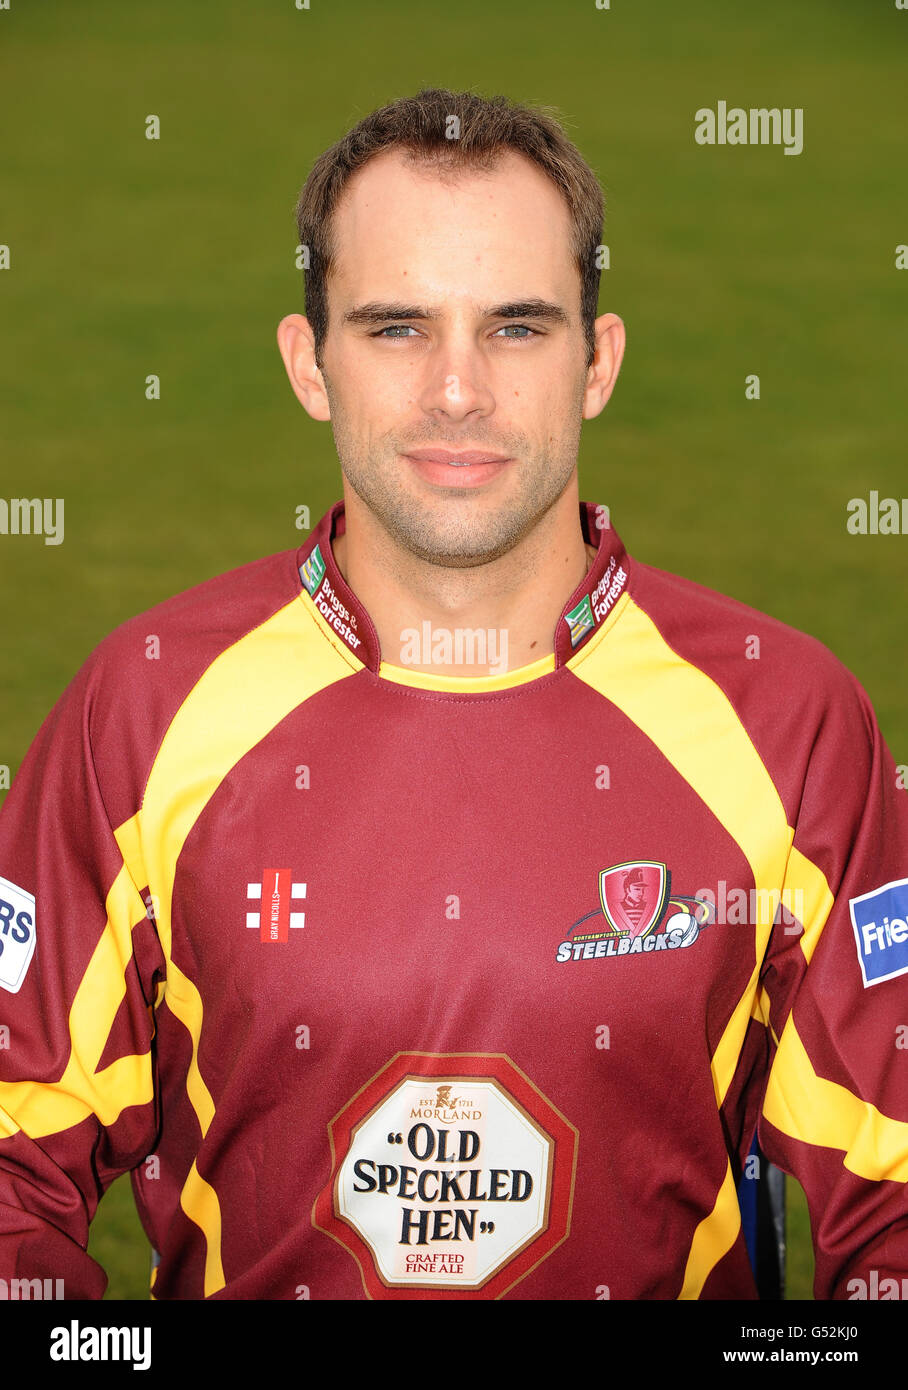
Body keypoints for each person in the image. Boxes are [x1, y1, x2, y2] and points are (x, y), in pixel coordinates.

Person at [1, 87, 906, 1302]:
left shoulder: (786, 719)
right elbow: (15, 1158)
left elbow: (892, 1198)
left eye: (518, 328)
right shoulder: (146, 708)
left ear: (599, 361)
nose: (456, 390)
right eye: (394, 328)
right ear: (307, 364)